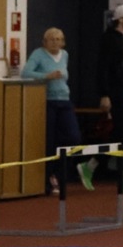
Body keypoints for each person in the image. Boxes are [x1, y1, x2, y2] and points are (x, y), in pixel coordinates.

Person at [84, 4, 123, 194]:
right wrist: (104, 94)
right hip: (114, 91)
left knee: (122, 134)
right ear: (121, 19)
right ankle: (121, 177)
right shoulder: (109, 39)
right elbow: (102, 67)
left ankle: (91, 165)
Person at [22, 27, 81, 194]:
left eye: (59, 39)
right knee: (49, 140)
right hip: (47, 101)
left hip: (64, 100)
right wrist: (46, 76)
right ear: (44, 42)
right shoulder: (38, 54)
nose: (55, 42)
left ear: (63, 42)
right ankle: (48, 178)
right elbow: (26, 73)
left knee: (73, 137)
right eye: (52, 39)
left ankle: (59, 171)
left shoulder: (65, 55)